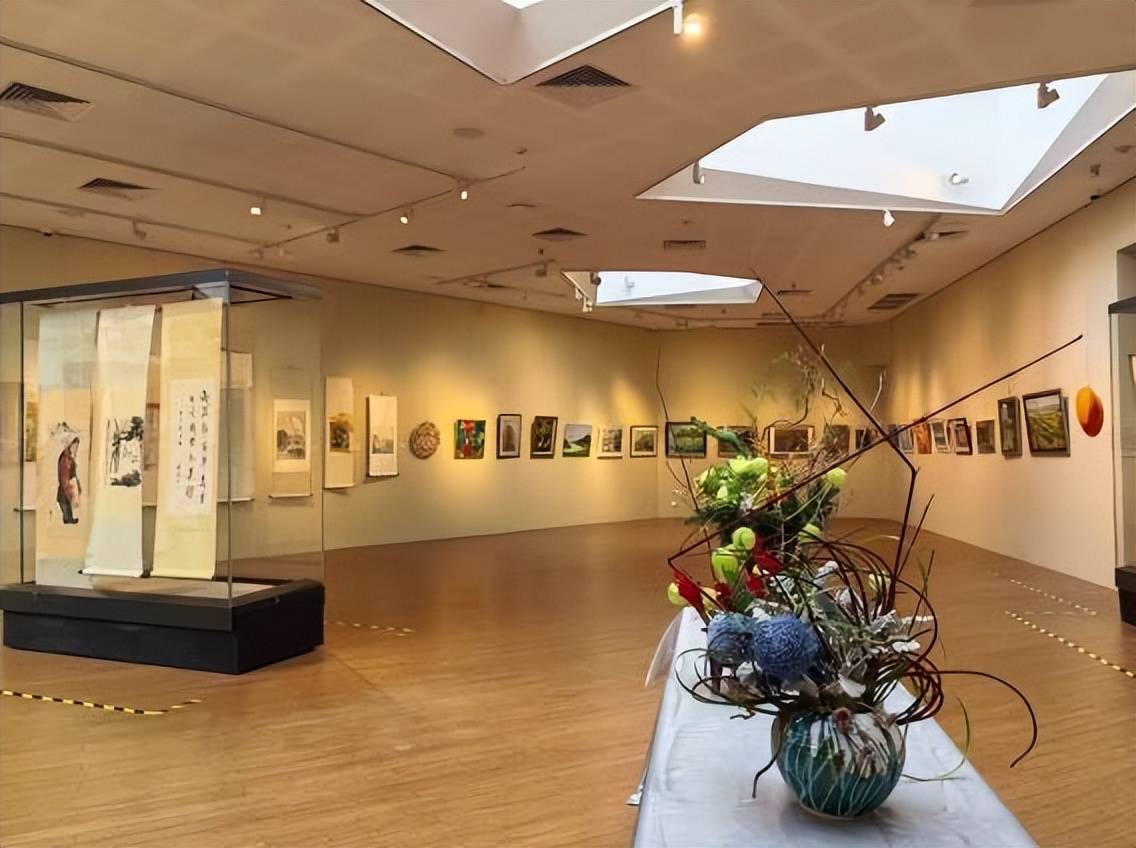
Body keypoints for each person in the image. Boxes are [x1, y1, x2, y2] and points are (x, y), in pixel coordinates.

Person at [56, 436, 81, 524]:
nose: (76, 449)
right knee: (67, 518)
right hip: (64, 491)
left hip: (66, 491)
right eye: (75, 446)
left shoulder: (69, 458)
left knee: (68, 517)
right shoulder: (66, 459)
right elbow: (64, 478)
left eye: (77, 447)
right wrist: (70, 491)